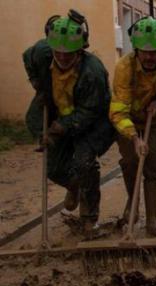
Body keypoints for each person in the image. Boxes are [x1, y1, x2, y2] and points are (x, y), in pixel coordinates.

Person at [23, 11, 115, 234]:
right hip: (57, 109)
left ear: (80, 49)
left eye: (69, 53)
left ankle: (89, 219)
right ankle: (74, 186)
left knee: (85, 164)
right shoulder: (42, 53)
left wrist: (63, 126)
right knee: (52, 167)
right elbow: (27, 57)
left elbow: (90, 111)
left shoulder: (93, 72)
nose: (63, 57)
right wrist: (37, 82)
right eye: (58, 52)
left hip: (94, 122)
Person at [110, 17, 156, 236]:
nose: (150, 57)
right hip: (128, 120)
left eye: (155, 52)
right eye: (145, 52)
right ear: (136, 49)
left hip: (155, 117)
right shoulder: (124, 67)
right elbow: (117, 111)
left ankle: (152, 220)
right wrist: (134, 138)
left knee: (154, 164)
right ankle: (133, 206)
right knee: (131, 161)